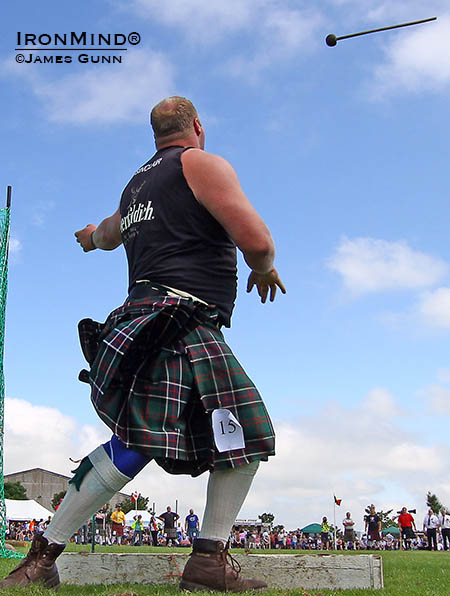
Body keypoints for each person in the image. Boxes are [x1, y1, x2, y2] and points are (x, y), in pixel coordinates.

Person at [0, 96, 285, 592]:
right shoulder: (200, 163)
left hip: (144, 317)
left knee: (155, 440)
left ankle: (47, 558)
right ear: (197, 125)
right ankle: (204, 561)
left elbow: (107, 234)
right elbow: (257, 240)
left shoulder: (135, 187)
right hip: (183, 319)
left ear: (155, 135)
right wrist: (264, 268)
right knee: (243, 431)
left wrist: (89, 237)